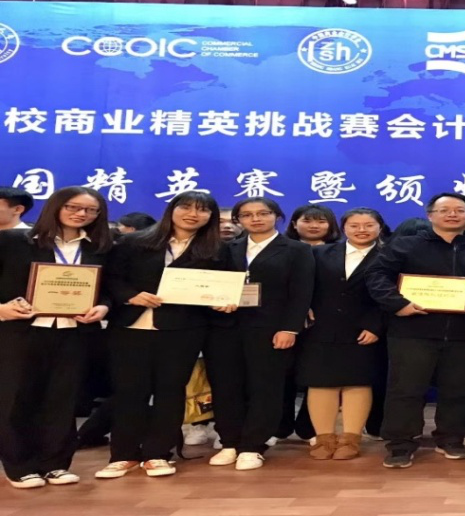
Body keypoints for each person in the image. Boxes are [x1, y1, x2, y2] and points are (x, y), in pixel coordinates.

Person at [95, 191, 235, 480]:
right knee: (129, 392)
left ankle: (158, 453)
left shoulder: (218, 250)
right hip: (131, 326)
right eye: (186, 207)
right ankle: (123, 455)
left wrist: (225, 301)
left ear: (210, 217)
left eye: (202, 210)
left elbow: (224, 286)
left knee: (170, 392)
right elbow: (111, 278)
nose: (193, 214)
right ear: (172, 209)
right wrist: (131, 296)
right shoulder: (135, 242)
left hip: (183, 329)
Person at [366, 193, 465, 469]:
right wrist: (398, 304)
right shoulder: (405, 245)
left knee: (458, 389)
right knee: (405, 389)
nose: (452, 214)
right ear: (430, 214)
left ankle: (451, 439)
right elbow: (376, 276)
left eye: (460, 210)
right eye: (445, 210)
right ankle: (400, 444)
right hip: (412, 329)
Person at [0, 186, 114, 489]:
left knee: (64, 399)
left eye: (90, 210)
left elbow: (108, 291)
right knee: (16, 398)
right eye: (73, 207)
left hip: (74, 333)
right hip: (21, 331)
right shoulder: (14, 241)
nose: (81, 214)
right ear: (56, 207)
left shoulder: (99, 248)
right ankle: (20, 466)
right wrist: (2, 309)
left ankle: (56, 464)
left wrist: (103, 307)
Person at [206, 197, 315, 471]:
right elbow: (212, 285)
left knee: (265, 388)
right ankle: (229, 442)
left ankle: (253, 446)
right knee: (226, 386)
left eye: (263, 213)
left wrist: (289, 328)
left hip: (271, 328)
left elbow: (301, 293)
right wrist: (214, 301)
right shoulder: (226, 248)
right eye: (247, 215)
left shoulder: (297, 250)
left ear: (276, 216)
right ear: (238, 220)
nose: (255, 219)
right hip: (225, 328)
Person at [300, 208, 388, 461]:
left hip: (365, 330)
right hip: (320, 327)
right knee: (320, 382)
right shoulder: (318, 253)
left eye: (368, 225)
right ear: (343, 228)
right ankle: (324, 439)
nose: (362, 230)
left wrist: (376, 326)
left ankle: (351, 438)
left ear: (379, 228)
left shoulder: (390, 256)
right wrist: (303, 308)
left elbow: (394, 293)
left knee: (357, 382)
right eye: (354, 225)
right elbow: (303, 286)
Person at [278, 204, 341, 445]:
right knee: (282, 374)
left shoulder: (340, 252)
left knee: (318, 375)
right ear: (294, 224)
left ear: (331, 225)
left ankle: (310, 428)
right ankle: (279, 426)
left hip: (325, 323)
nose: (314, 225)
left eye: (321, 221)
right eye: (307, 220)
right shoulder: (281, 249)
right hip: (285, 321)